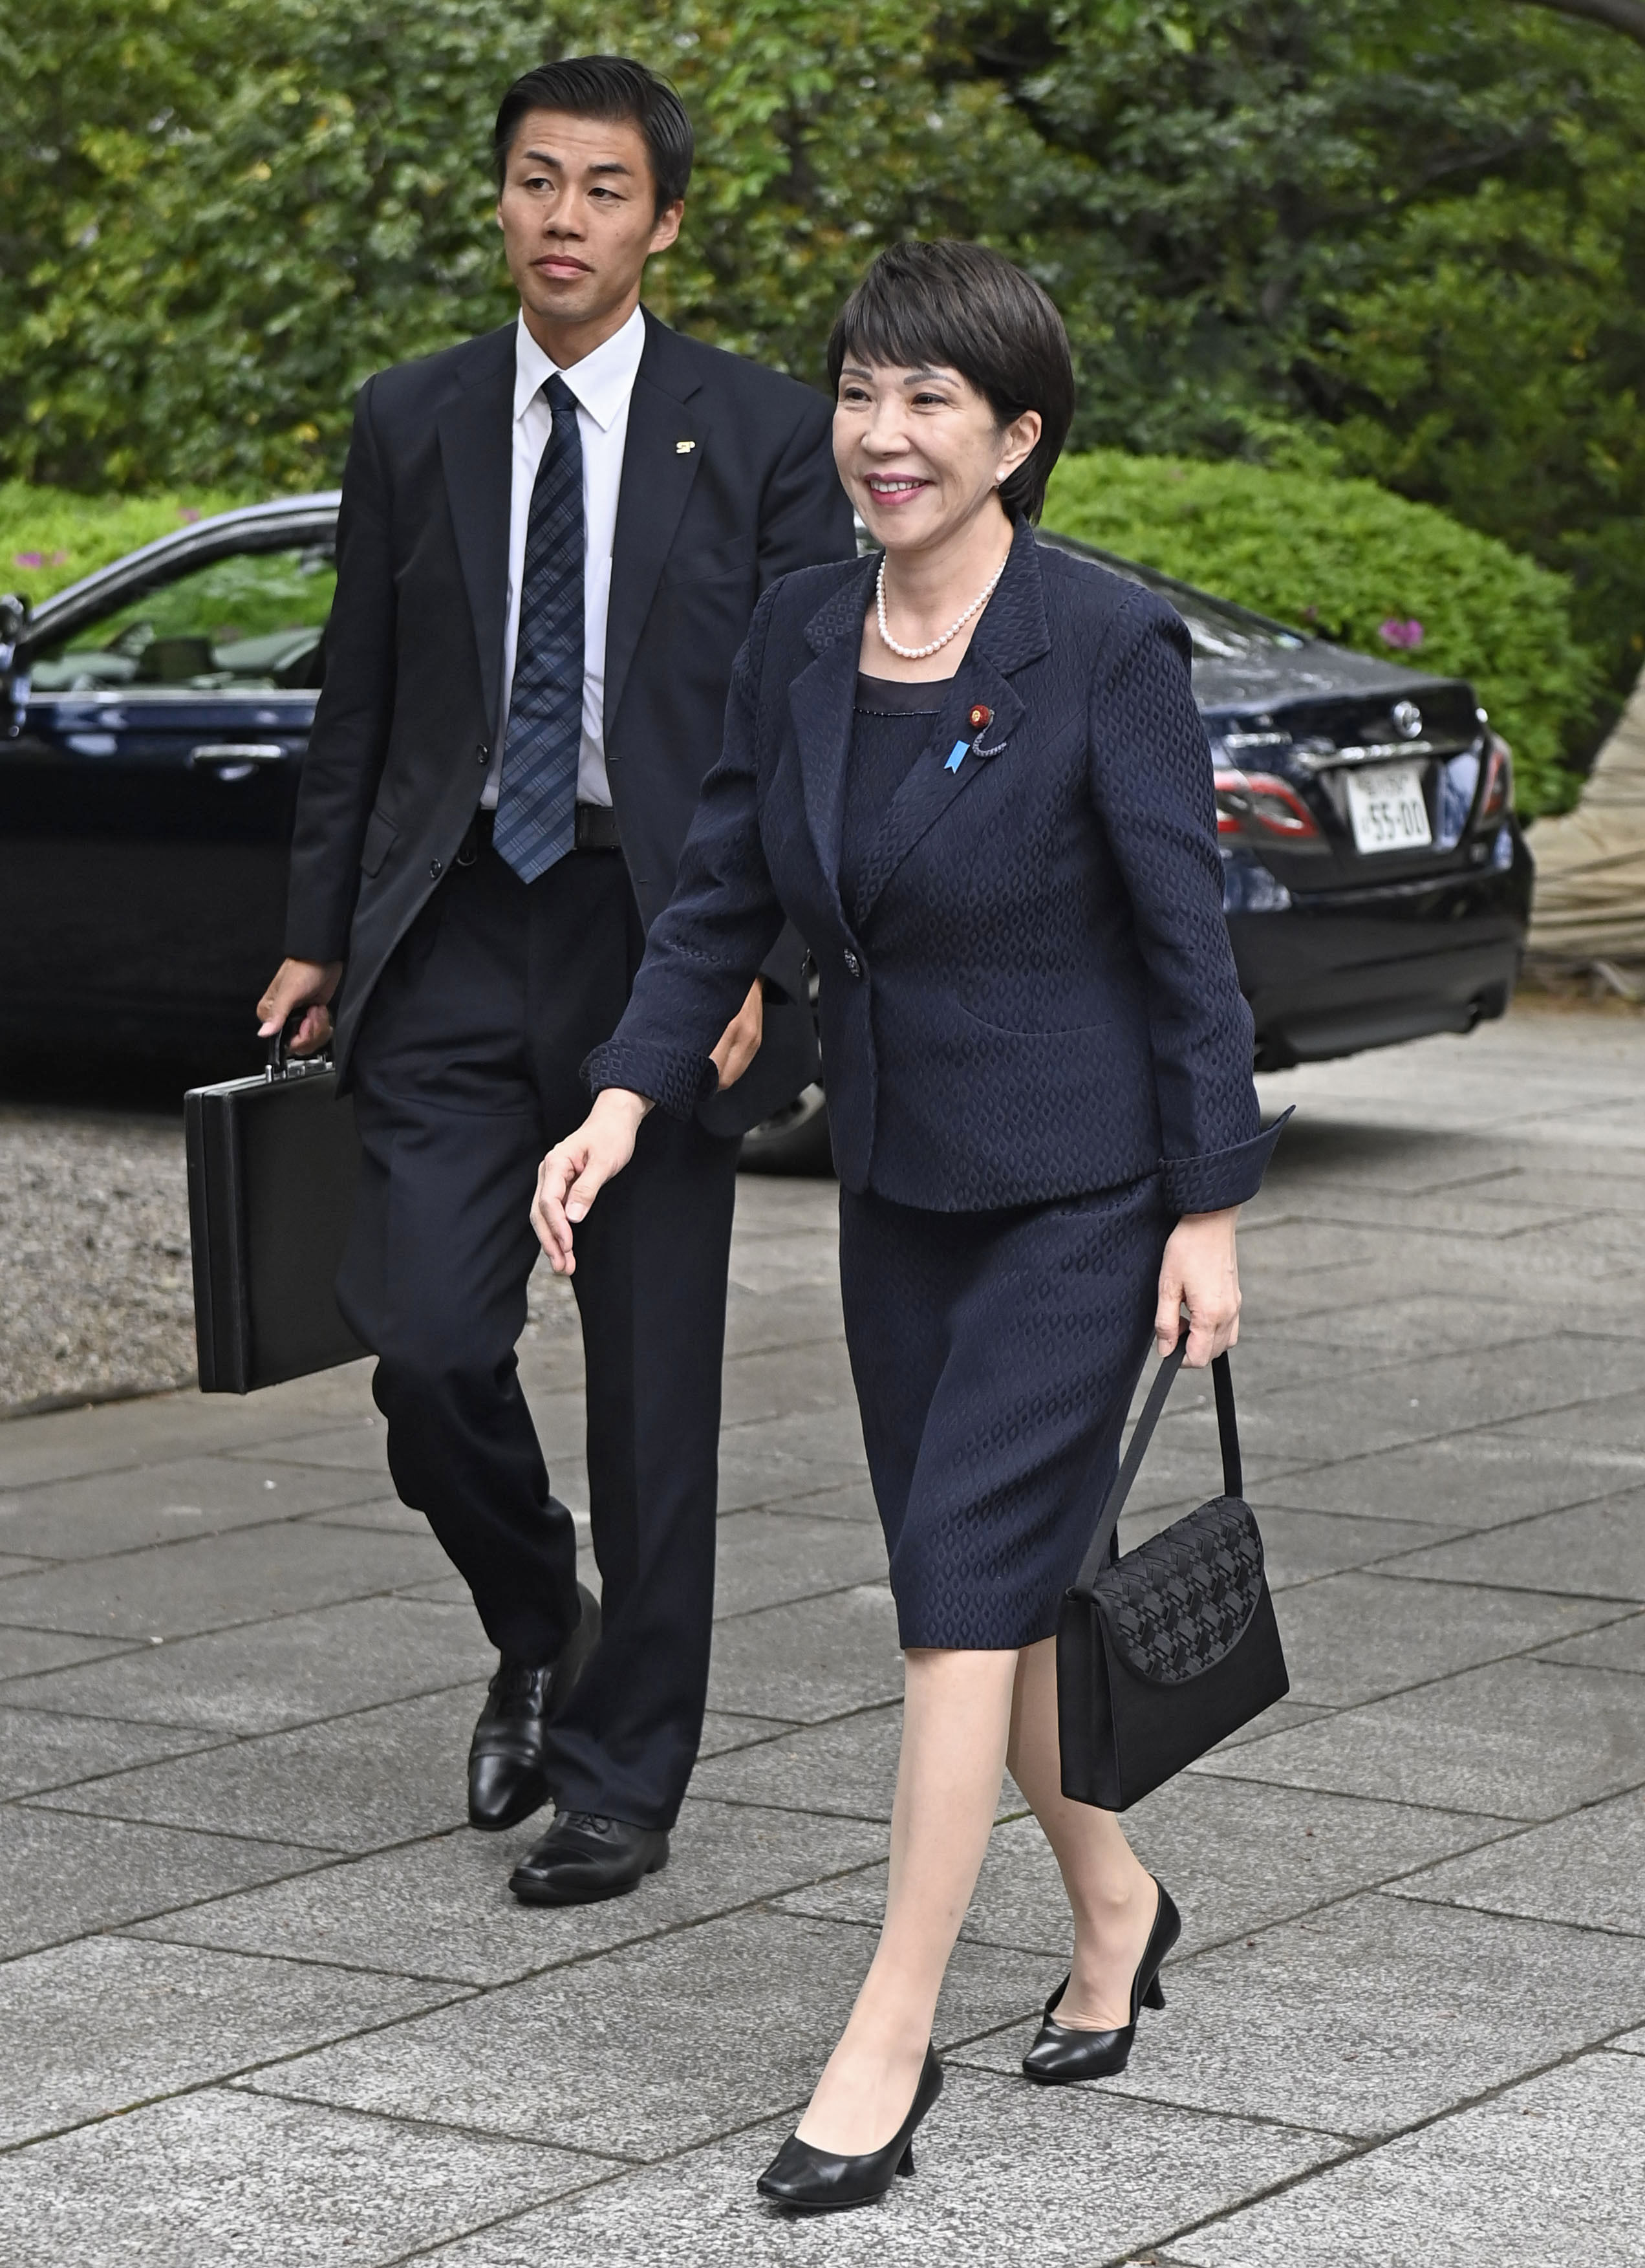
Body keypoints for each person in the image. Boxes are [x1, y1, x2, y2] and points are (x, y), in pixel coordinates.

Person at [532, 239, 1286, 2207]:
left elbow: (1188, 951)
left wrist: (1208, 1210)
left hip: (1079, 1196)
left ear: (1017, 437)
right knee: (1013, 1600)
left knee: (955, 1596)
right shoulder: (798, 633)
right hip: (901, 1191)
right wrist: (621, 1098)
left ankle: (888, 2030)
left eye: (933, 400)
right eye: (863, 390)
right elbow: (716, 897)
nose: (884, 432)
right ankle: (1116, 1901)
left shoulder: (1102, 645)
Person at [253, 55, 856, 1907]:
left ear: (663, 219)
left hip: (656, 942)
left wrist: (755, 949)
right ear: (499, 200)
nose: (564, 219)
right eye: (536, 181)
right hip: (448, 930)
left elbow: (804, 714)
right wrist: (315, 932)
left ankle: (622, 1766)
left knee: (651, 1382)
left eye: (604, 189)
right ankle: (542, 1612)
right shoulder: (412, 414)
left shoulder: (757, 430)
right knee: (427, 1346)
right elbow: (360, 696)